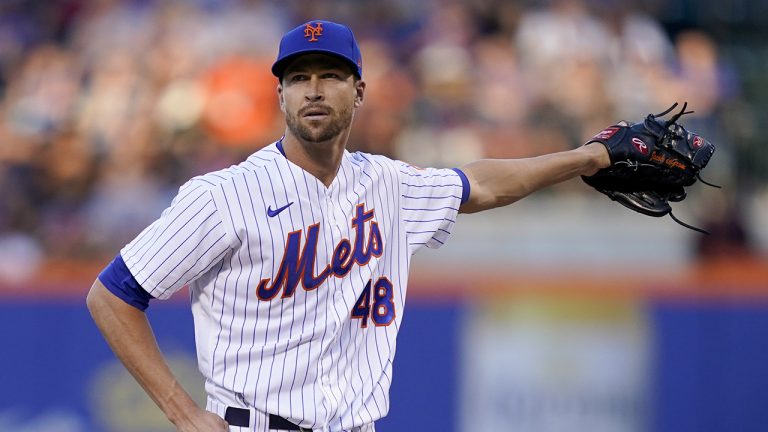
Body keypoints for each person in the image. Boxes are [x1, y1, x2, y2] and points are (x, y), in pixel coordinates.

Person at [86, 20, 610, 432]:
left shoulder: (388, 183)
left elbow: (485, 184)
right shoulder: (223, 195)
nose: (313, 90)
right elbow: (112, 295)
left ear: (359, 91)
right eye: (298, 78)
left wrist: (590, 158)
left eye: (330, 75)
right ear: (281, 96)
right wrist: (182, 412)